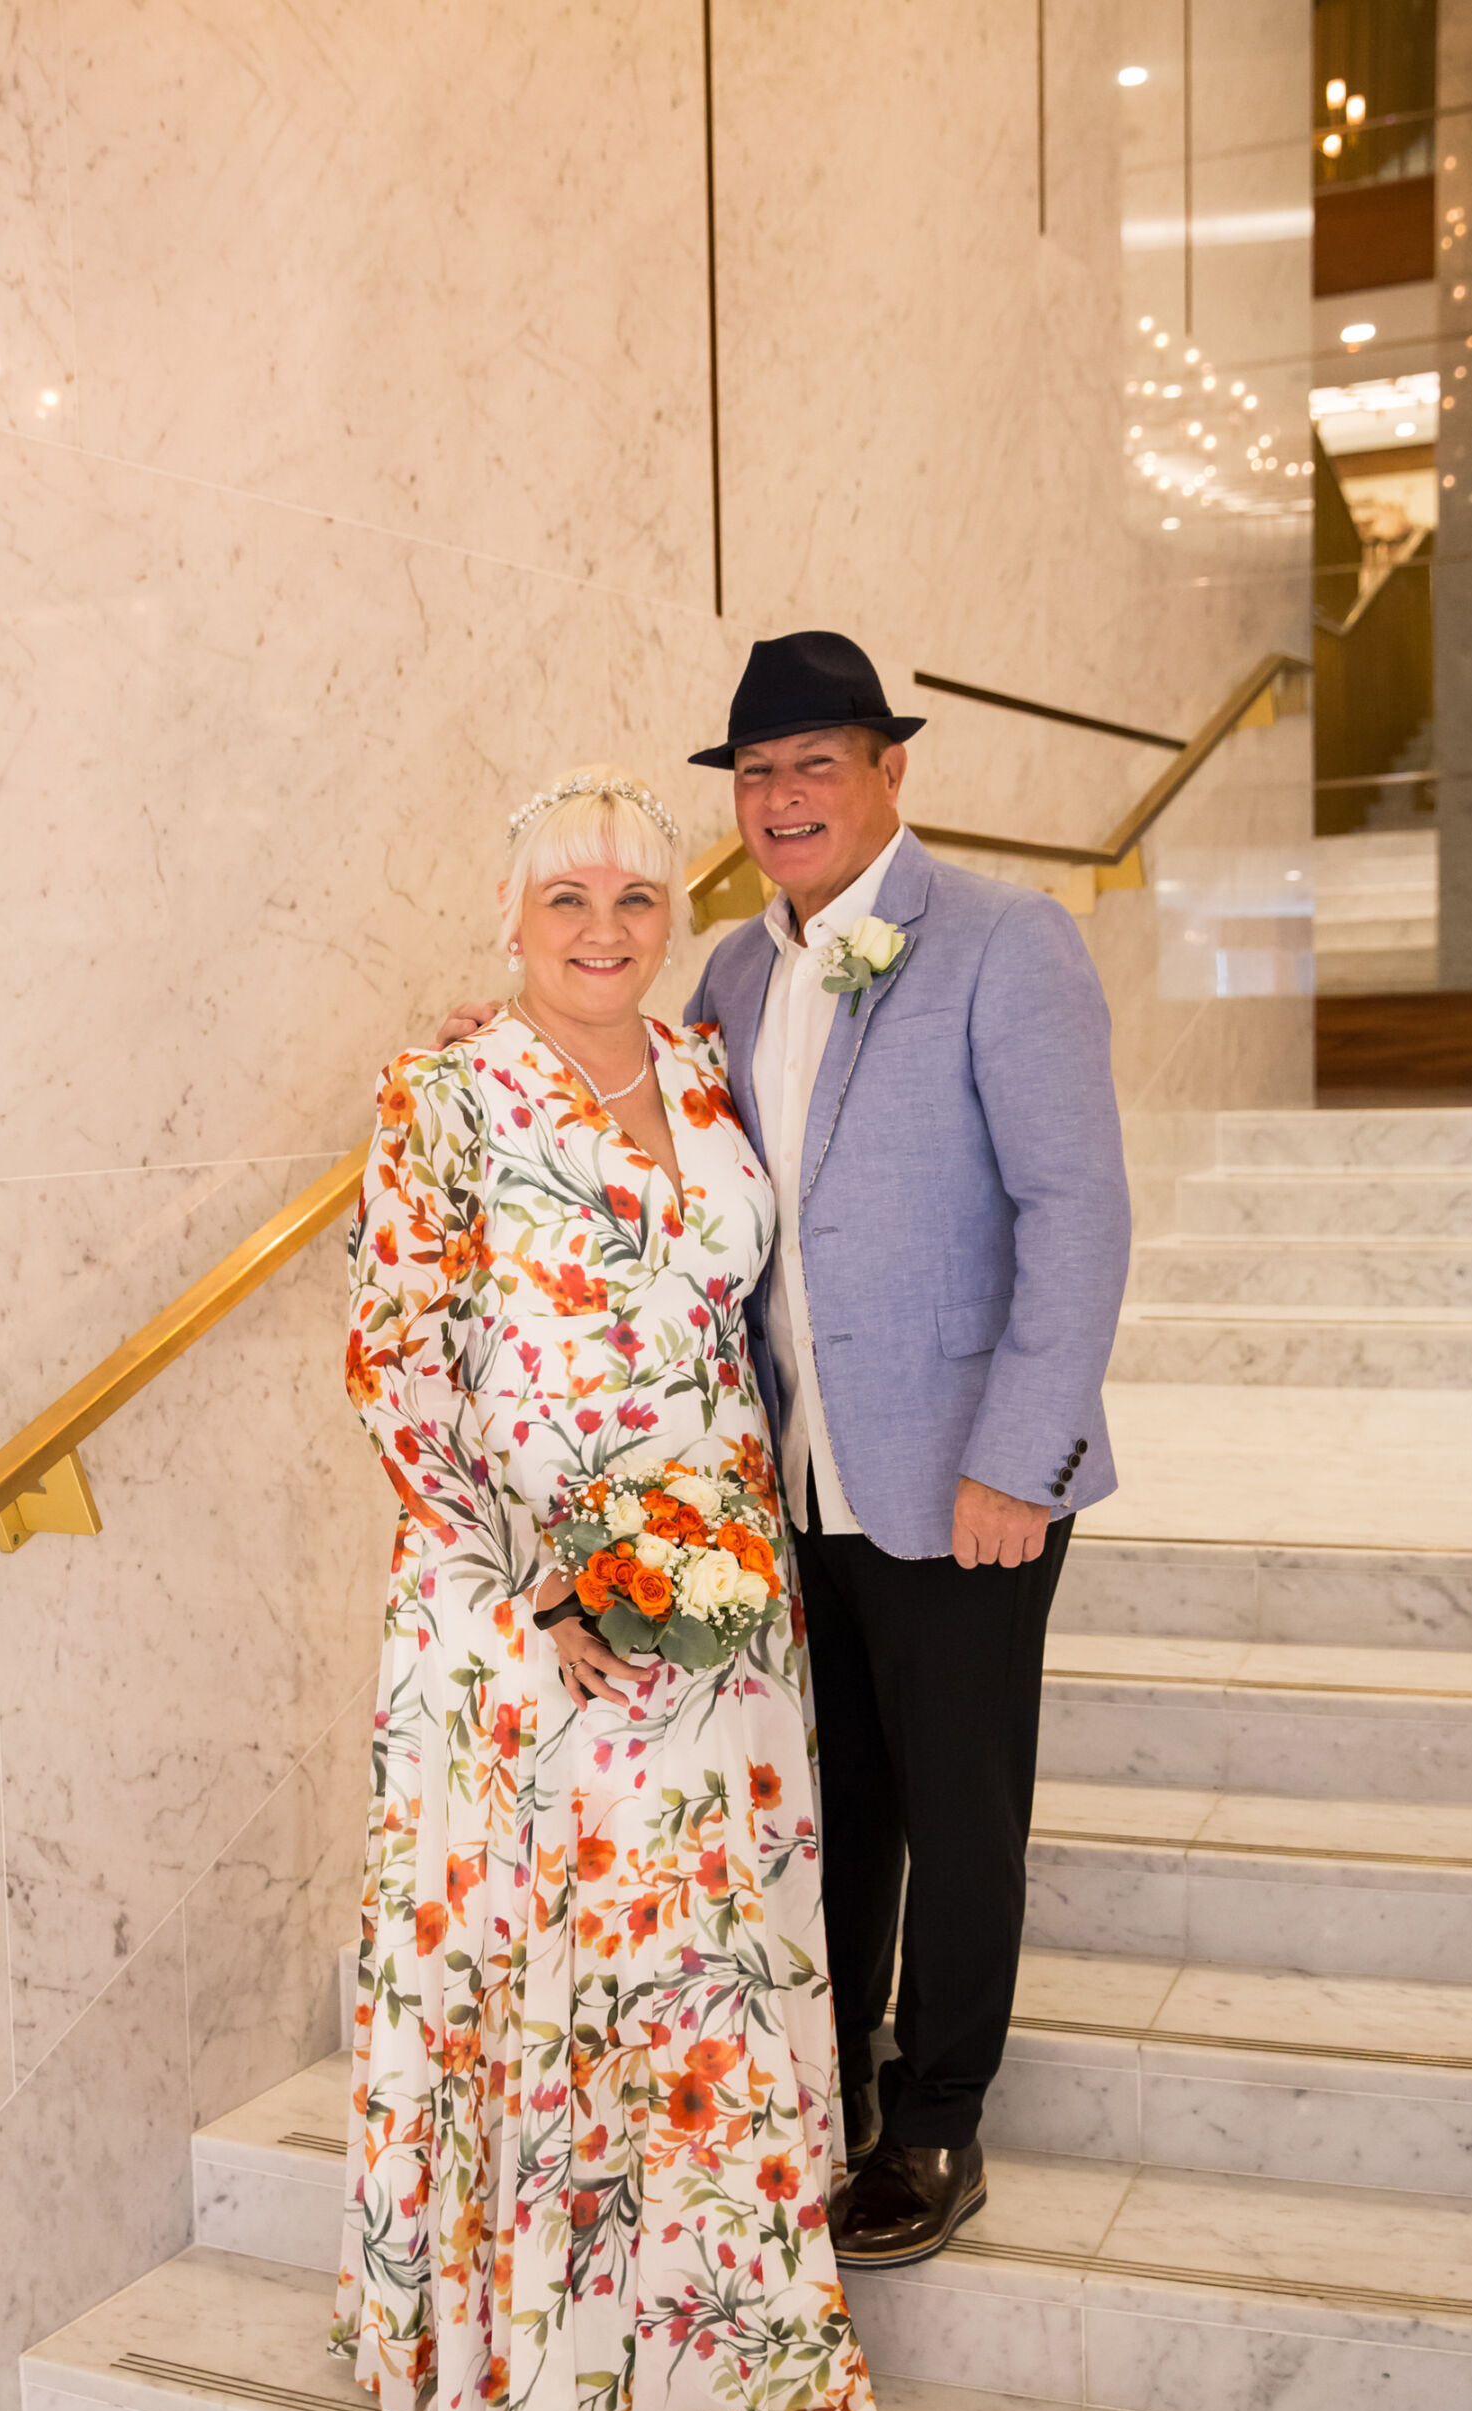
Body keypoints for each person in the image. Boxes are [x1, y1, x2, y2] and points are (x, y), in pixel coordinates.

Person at [438, 634, 1131, 2270]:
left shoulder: (1008, 941)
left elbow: (1078, 1211)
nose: (783, 797)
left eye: (817, 763)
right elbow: (665, 1146)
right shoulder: (733, 976)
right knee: (846, 1805)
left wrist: (1018, 1460)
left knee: (963, 1811)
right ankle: (842, 2088)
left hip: (967, 1474)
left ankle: (942, 2122)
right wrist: (522, 1049)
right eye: (757, 775)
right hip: (784, 1483)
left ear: (891, 771)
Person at [334, 766, 879, 2411]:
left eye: (637, 900)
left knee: (712, 1952)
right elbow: (396, 1366)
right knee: (566, 1964)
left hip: (721, 1595)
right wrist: (542, 1573)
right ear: (511, 919)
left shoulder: (703, 1070)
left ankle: (738, 2345)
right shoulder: (442, 1094)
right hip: (529, 1614)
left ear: (671, 922)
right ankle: (546, 2354)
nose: (603, 929)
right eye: (567, 899)